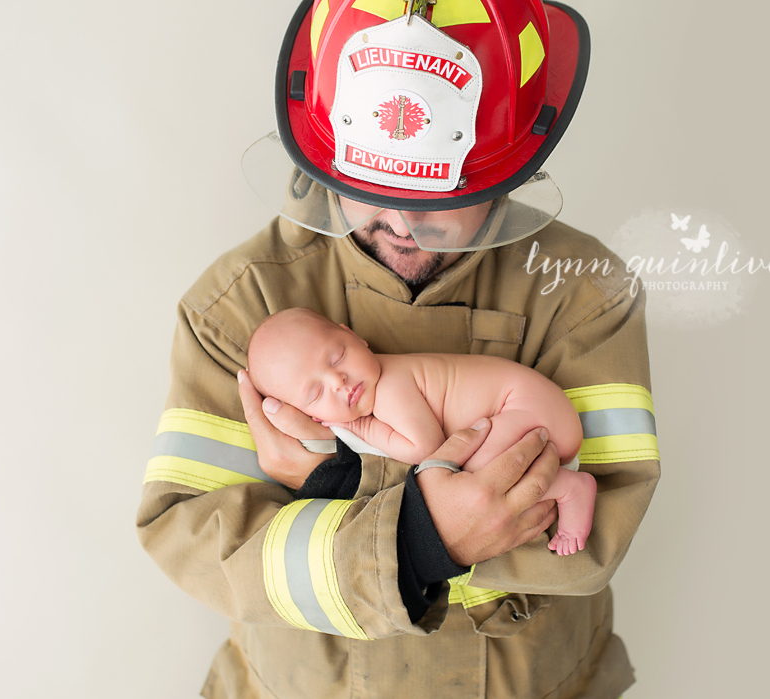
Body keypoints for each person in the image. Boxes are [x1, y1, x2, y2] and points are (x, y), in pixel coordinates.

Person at [137, 2, 660, 698]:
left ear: (509, 171)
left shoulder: (582, 295)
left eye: (435, 194)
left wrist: (346, 489)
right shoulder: (238, 307)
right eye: (371, 190)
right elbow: (188, 535)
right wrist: (416, 536)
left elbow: (596, 537)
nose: (401, 224)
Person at [246, 307, 597, 555]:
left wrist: (361, 425)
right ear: (310, 415)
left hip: (529, 408)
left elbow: (423, 449)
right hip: (538, 409)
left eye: (337, 357)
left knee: (473, 474)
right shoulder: (383, 381)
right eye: (316, 393)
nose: (338, 381)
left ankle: (570, 489)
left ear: (354, 336)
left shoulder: (390, 386)